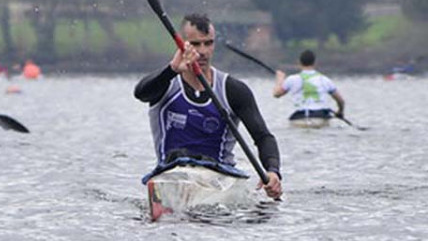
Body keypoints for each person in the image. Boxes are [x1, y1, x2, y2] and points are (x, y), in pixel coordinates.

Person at [134, 13, 282, 199]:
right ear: (181, 44)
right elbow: (140, 93)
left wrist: (273, 171)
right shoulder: (165, 84)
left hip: (219, 178)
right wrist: (171, 70)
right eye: (195, 44)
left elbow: (263, 137)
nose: (203, 51)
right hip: (171, 175)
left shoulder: (233, 90)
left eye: (208, 43)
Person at [273, 50, 344, 121]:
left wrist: (280, 79)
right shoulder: (325, 80)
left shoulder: (292, 79)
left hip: (300, 117)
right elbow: (340, 101)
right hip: (321, 115)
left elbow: (276, 94)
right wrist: (340, 111)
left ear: (299, 62)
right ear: (315, 62)